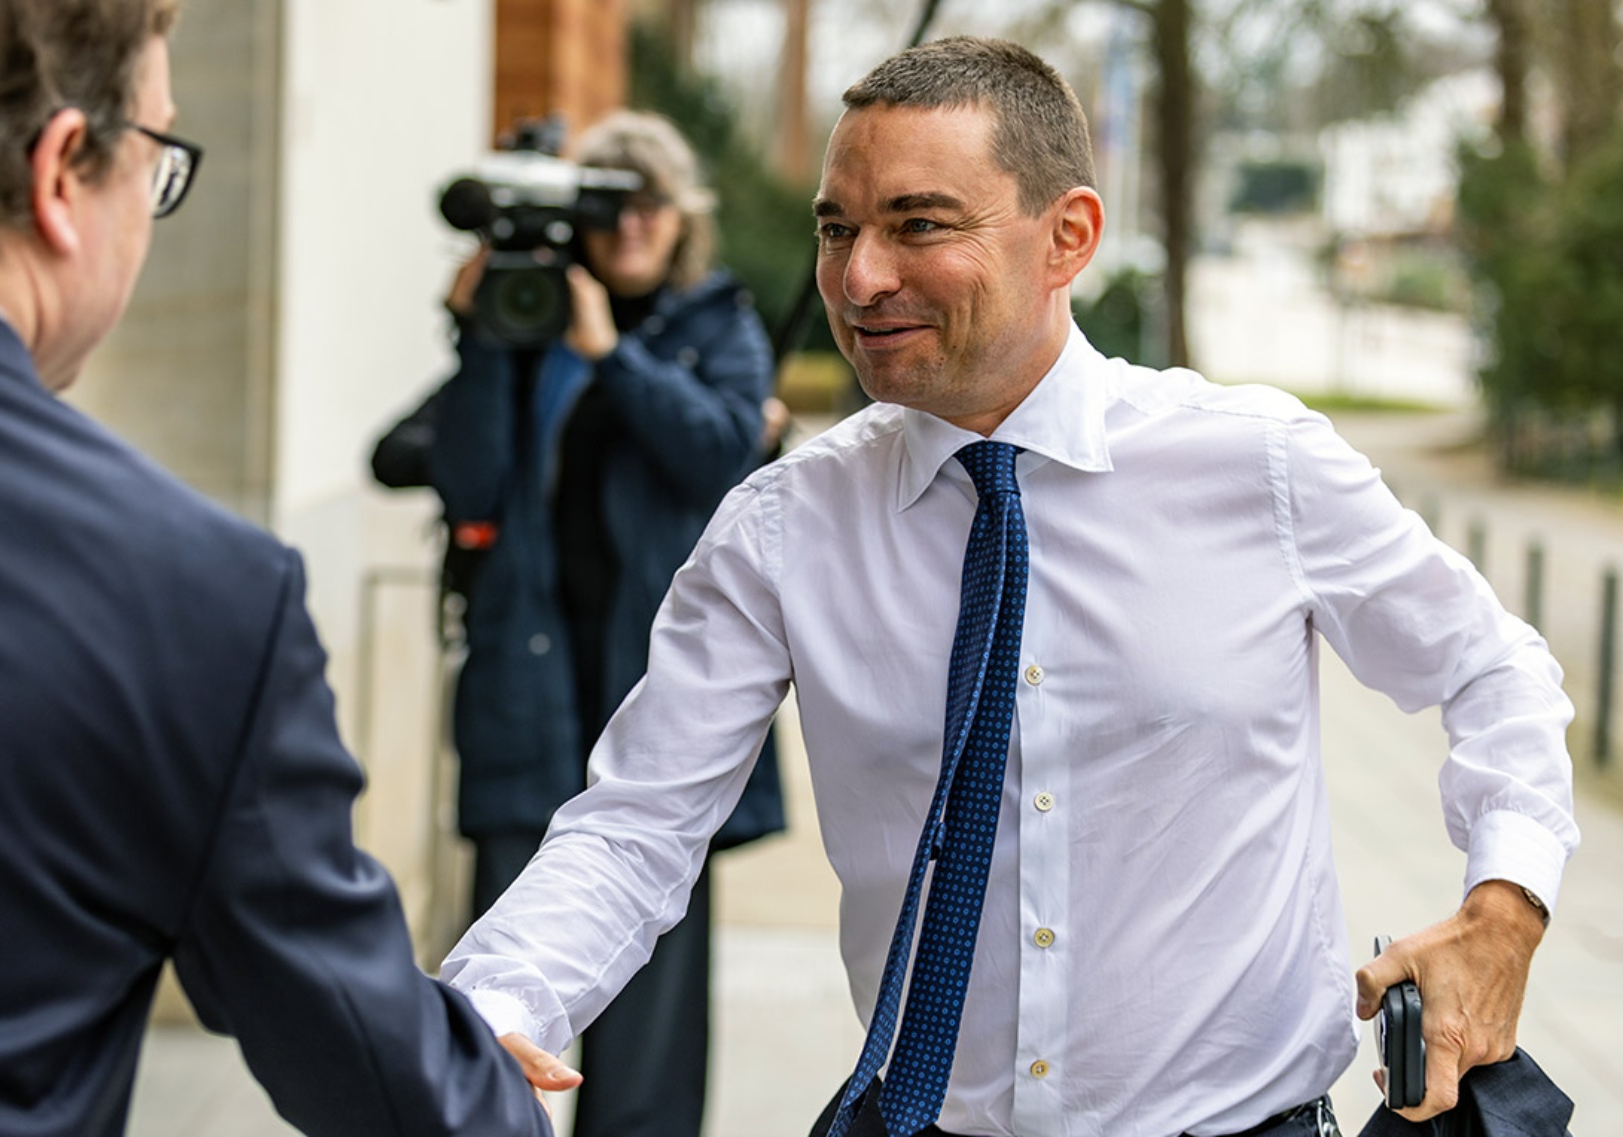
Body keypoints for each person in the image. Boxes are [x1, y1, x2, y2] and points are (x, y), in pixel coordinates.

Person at [443, 36, 1579, 1137]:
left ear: (1068, 236)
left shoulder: (1261, 467)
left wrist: (1505, 905)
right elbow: (637, 822)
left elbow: (1493, 667)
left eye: (918, 225)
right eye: (837, 228)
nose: (857, 277)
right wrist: (488, 1008)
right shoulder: (781, 527)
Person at [0, 2, 562, 1134]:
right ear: (63, 169)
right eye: (157, 159)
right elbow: (390, 1082)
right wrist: (480, 1076)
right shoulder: (197, 596)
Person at [425, 109, 787, 1137]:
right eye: (607, 205)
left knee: (650, 1051)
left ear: (683, 220)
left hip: (661, 707)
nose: (629, 226)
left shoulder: (716, 322)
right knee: (499, 999)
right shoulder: (525, 320)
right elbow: (467, 479)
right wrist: (481, 338)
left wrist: (612, 356)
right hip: (531, 693)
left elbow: (723, 451)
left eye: (651, 205)